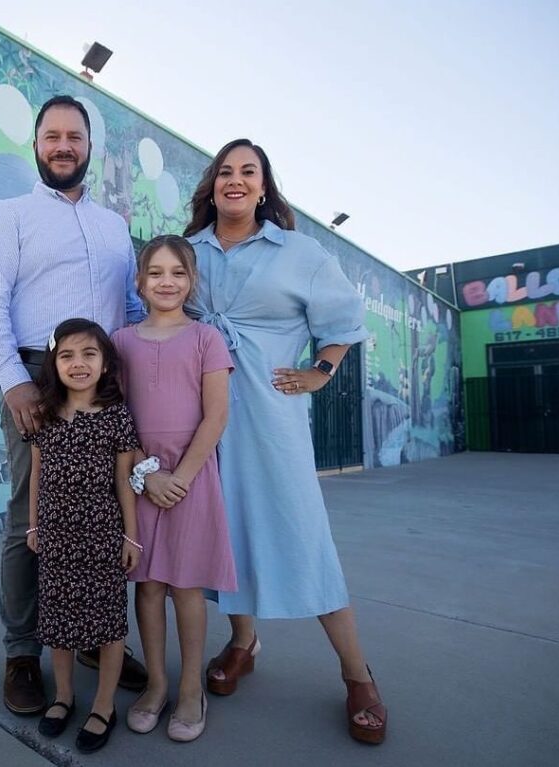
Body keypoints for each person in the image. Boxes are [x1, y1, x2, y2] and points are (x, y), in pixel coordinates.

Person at [183, 138, 388, 745]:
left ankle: (357, 675)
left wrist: (320, 373)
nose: (236, 180)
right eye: (226, 171)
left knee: (303, 536)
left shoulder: (301, 252)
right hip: (201, 421)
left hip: (271, 422)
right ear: (212, 185)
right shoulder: (188, 251)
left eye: (249, 171)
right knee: (225, 533)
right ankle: (243, 643)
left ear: (265, 186)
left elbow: (342, 324)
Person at [0, 95, 147, 716]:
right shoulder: (10, 216)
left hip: (103, 379)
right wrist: (15, 381)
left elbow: (129, 309)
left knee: (100, 513)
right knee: (32, 515)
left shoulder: (114, 227)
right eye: (52, 135)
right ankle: (22, 652)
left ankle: (95, 640)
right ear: (37, 144)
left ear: (89, 147)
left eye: (74, 135)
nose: (63, 145)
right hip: (36, 374)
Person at [111, 235, 237, 743]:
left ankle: (190, 688)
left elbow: (218, 414)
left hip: (192, 477)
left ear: (192, 281)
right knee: (148, 584)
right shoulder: (120, 341)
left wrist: (180, 478)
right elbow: (116, 419)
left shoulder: (206, 338)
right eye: (156, 272)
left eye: (178, 273)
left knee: (185, 585)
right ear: (139, 282)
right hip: (140, 477)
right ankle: (156, 685)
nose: (167, 282)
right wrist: (147, 474)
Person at [26, 318, 142, 753]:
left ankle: (104, 705)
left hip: (102, 536)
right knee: (58, 622)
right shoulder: (43, 416)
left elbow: (125, 482)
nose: (78, 364)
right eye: (67, 355)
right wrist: (35, 525)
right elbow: (37, 475)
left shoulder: (116, 417)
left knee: (108, 623)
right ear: (54, 364)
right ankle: (64, 696)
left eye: (89, 354)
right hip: (55, 536)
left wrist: (131, 538)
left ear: (106, 364)